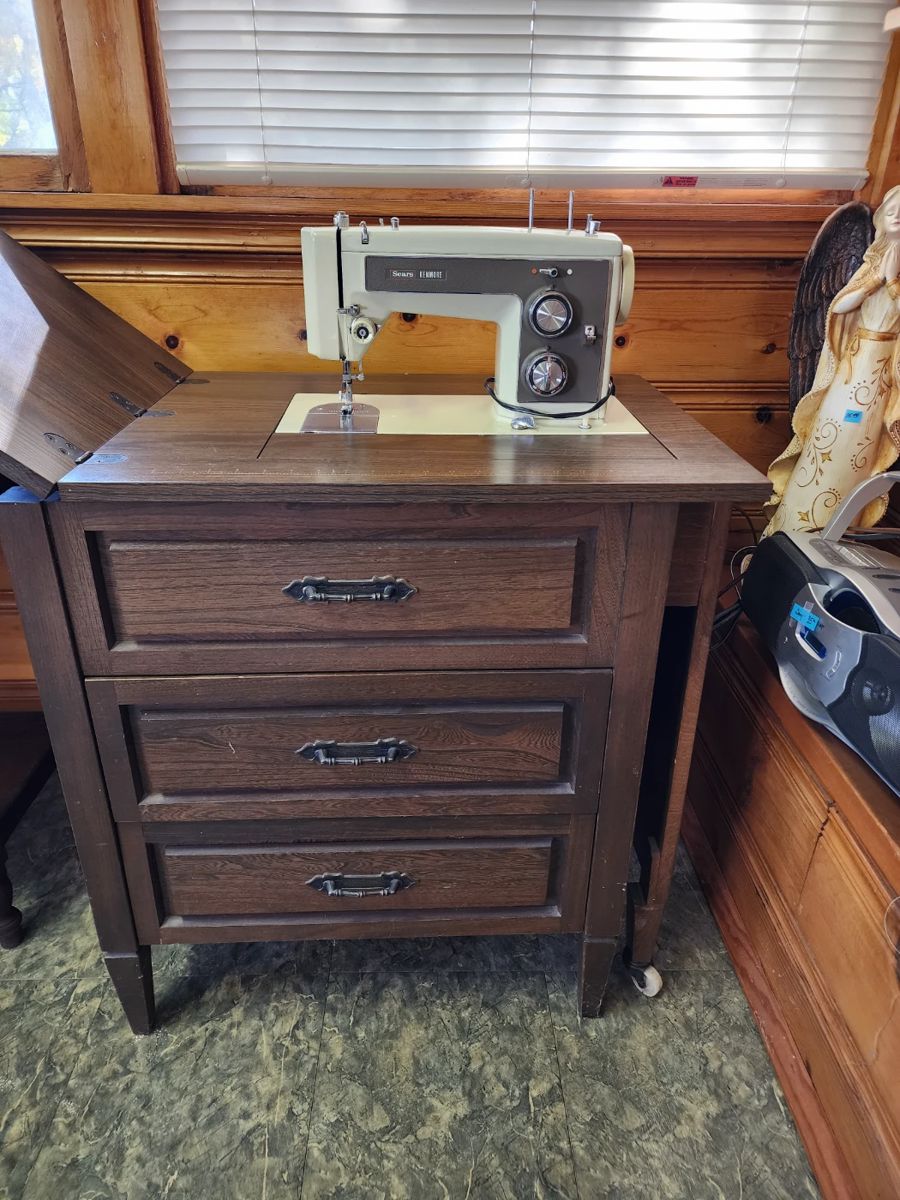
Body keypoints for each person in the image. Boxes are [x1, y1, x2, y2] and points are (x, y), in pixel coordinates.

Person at [765, 186, 900, 534]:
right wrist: (874, 284)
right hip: (856, 368)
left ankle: (840, 532)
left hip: (885, 377)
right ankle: (795, 531)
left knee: (864, 449)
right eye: (893, 210)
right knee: (834, 435)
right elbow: (837, 308)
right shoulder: (870, 263)